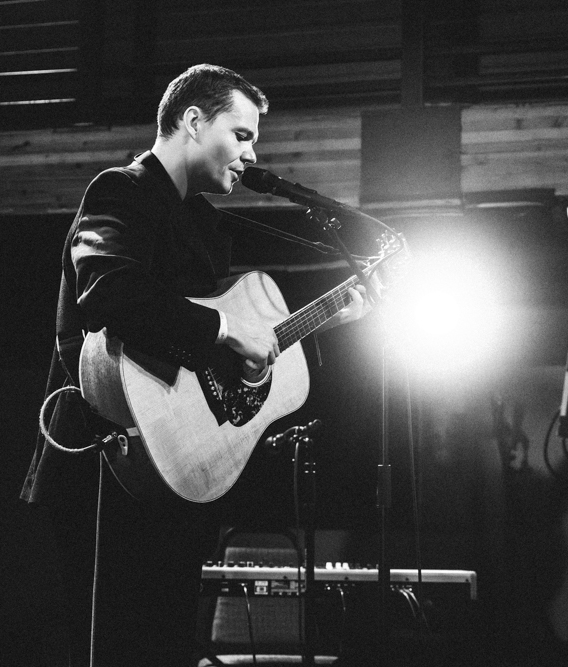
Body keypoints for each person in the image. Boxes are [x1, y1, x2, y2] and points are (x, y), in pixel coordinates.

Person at [21, 64, 369, 667]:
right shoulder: (120, 190)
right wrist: (227, 329)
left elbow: (206, 353)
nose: (251, 154)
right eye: (241, 134)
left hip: (179, 471)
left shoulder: (203, 222)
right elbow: (107, 291)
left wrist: (325, 319)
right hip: (108, 465)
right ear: (192, 121)